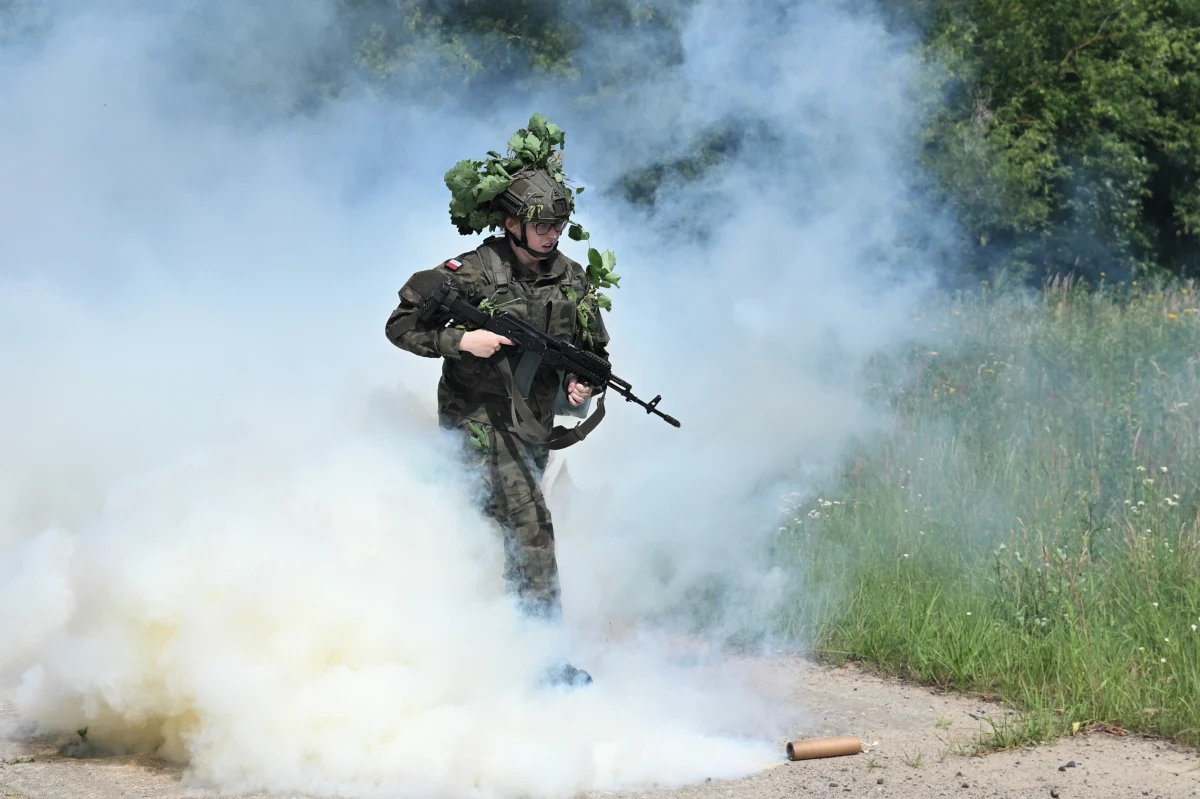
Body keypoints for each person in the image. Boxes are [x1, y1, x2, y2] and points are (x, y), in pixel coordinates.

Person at [384, 167, 609, 687]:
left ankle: (482, 652)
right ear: (512, 224)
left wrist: (583, 383)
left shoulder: (572, 278)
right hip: (477, 424)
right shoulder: (471, 272)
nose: (553, 234)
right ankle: (543, 667)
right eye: (543, 225)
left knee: (487, 532)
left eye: (560, 224)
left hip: (530, 427)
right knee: (532, 529)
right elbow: (400, 323)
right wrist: (461, 341)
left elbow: (592, 351)